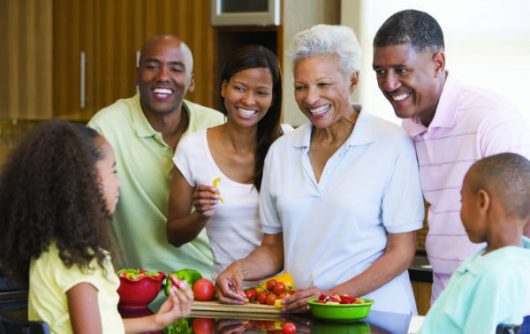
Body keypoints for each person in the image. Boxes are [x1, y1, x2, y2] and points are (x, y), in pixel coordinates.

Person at [216, 24, 424, 315]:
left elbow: (401, 252)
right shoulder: (281, 151)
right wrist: (238, 270)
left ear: (352, 81)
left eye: (324, 85)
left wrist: (330, 297)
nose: (311, 98)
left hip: (377, 315)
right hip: (305, 317)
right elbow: (274, 248)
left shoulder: (392, 144)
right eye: (301, 87)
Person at [372, 9, 530, 303]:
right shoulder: (410, 125)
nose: (389, 83)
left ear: (438, 63)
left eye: (401, 70)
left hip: (500, 297)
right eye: (380, 71)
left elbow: (526, 215)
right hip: (447, 291)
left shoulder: (490, 119)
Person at [0, 120, 194, 334]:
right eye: (112, 171)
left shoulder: (50, 250)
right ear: (84, 183)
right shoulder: (79, 259)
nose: (118, 182)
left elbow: (101, 327)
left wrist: (156, 321)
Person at [88, 34, 225, 280]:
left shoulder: (216, 124)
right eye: (152, 66)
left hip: (212, 288)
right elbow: (83, 214)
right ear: (137, 75)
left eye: (176, 68)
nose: (163, 76)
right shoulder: (106, 128)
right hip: (139, 292)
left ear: (191, 81)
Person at [166, 45, 288, 282]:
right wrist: (201, 215)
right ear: (223, 88)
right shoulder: (193, 148)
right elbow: (174, 234)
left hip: (285, 294)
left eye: (261, 92)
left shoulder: (288, 145)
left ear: (273, 98)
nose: (249, 100)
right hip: (228, 294)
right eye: (239, 88)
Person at [419, 153, 530, 333]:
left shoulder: (491, 275)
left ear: (482, 201)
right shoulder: (516, 262)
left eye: (462, 200)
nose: (461, 210)